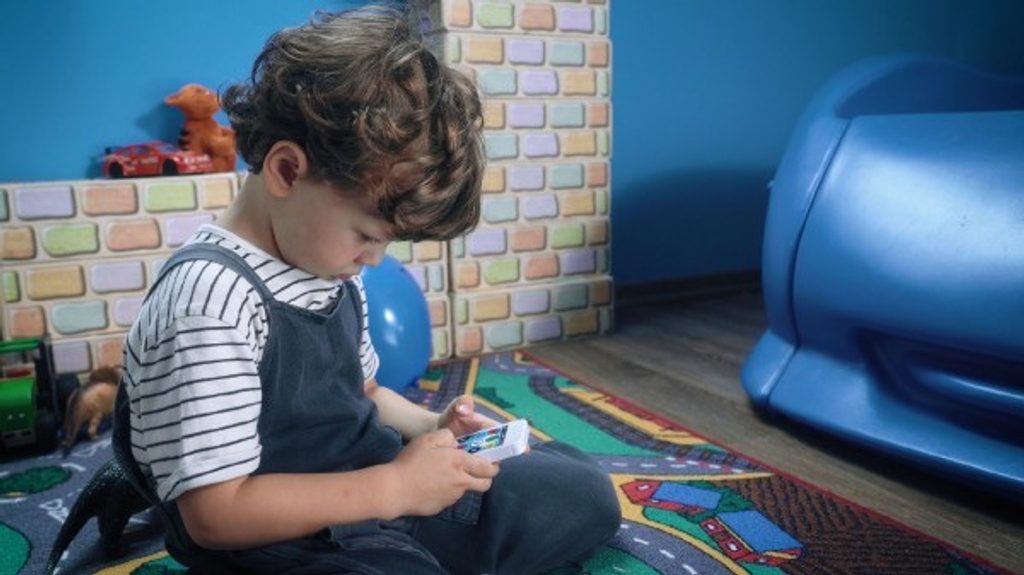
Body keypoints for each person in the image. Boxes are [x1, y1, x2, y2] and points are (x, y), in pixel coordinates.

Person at [117, 5, 620, 574]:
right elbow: (214, 516)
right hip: (283, 537)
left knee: (582, 494)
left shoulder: (326, 266)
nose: (373, 261)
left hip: (377, 487)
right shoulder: (209, 302)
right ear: (287, 171)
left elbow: (367, 392)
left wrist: (433, 430)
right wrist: (394, 488)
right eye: (366, 235)